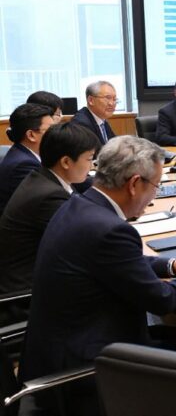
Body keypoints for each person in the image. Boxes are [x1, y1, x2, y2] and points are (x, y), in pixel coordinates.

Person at [20, 136, 176, 415]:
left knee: (175, 337)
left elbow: (116, 261)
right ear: (133, 184)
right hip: (86, 367)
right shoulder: (110, 229)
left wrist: (172, 266)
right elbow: (162, 299)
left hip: (57, 348)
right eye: (155, 186)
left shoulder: (80, 205)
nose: (154, 196)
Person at [0, 123, 99, 324]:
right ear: (65, 162)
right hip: (27, 298)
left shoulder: (44, 179)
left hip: (36, 277)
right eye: (89, 159)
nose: (91, 167)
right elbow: (87, 245)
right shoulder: (49, 196)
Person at [0, 103, 55, 215]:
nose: (56, 134)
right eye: (51, 130)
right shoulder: (23, 165)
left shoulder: (24, 153)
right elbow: (47, 201)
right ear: (31, 135)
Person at [70, 81, 118, 145]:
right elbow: (93, 153)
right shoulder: (81, 123)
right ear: (91, 100)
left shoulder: (102, 120)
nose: (112, 103)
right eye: (107, 98)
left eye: (114, 99)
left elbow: (114, 144)